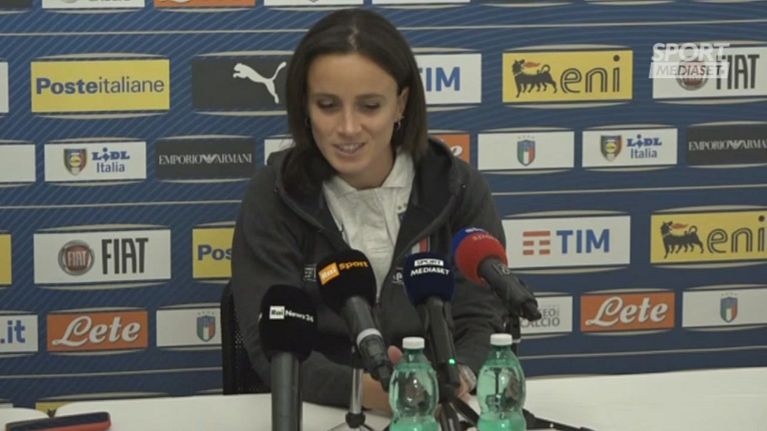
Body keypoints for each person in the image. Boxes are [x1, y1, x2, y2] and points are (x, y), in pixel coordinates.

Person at [231, 8, 507, 412]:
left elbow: (483, 319)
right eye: (328, 105)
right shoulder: (273, 194)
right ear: (304, 105)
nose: (348, 127)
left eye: (370, 106)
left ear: (401, 104)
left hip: (441, 410)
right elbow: (271, 347)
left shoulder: (457, 188)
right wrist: (369, 392)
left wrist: (456, 378)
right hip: (321, 412)